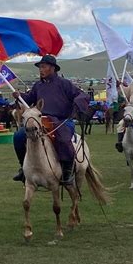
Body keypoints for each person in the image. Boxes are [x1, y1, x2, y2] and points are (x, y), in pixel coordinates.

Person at [11, 55, 89, 185]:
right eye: (40, 67)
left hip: (62, 121)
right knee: (18, 136)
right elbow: (29, 99)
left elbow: (82, 95)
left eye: (43, 67)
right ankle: (23, 169)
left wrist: (77, 102)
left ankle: (67, 171)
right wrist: (19, 97)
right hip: (42, 121)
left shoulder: (65, 84)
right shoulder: (38, 86)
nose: (40, 70)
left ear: (52, 68)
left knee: (63, 139)